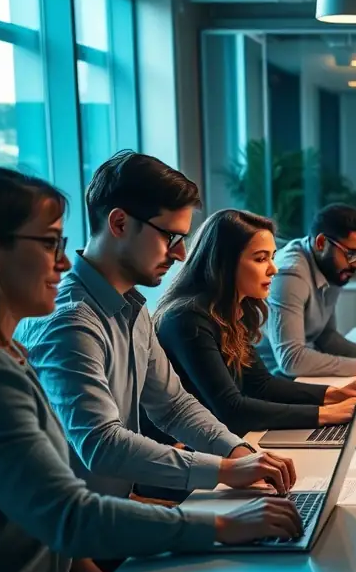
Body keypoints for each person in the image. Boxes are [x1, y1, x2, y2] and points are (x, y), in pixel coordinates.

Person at [0, 154, 302, 572]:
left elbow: (169, 406)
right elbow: (81, 480)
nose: (62, 260)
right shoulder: (33, 343)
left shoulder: (34, 342)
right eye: (48, 244)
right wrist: (222, 519)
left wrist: (240, 453)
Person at [16, 150, 297, 502]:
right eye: (171, 237)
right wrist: (225, 471)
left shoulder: (131, 307)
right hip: (82, 536)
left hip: (115, 511)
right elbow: (102, 446)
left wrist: (240, 454)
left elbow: (173, 405)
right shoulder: (71, 321)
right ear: (119, 224)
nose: (180, 254)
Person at [154, 209, 356, 437]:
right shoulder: (187, 319)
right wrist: (326, 414)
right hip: (178, 451)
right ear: (225, 262)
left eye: (272, 256)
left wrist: (334, 394)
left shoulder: (231, 312)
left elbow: (261, 384)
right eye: (260, 259)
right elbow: (232, 410)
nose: (273, 269)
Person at [260, 203, 356, 377]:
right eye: (351, 254)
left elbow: (325, 337)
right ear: (321, 243)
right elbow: (291, 360)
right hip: (268, 384)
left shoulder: (331, 268)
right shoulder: (289, 274)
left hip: (297, 378)